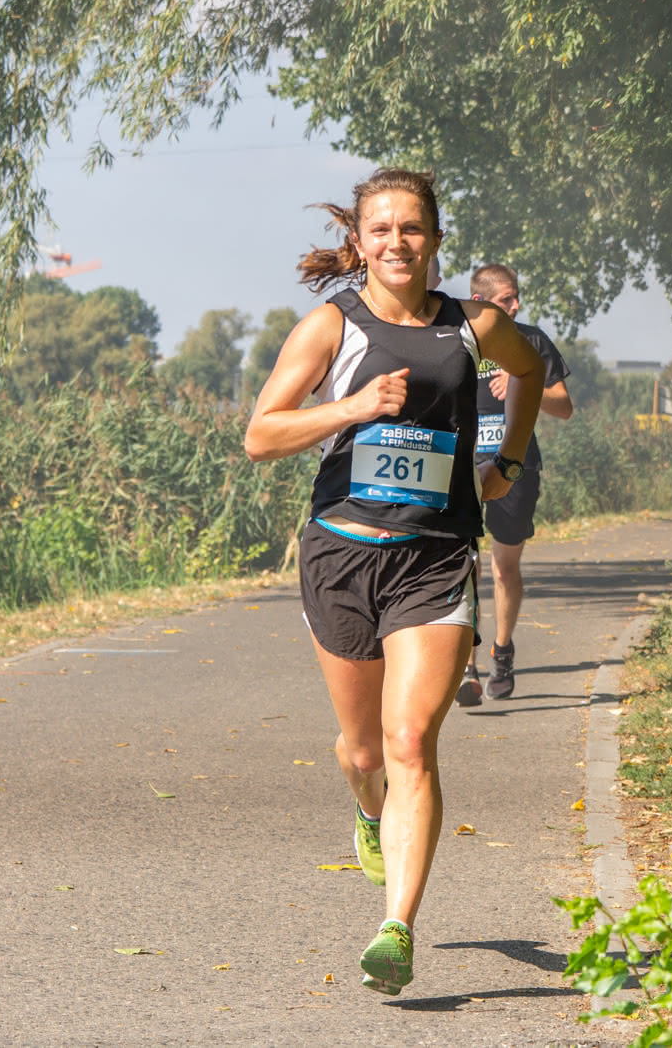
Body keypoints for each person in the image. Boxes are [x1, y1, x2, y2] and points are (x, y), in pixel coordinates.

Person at [244, 169, 542, 996]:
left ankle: (396, 926)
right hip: (342, 553)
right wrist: (352, 407)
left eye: (412, 229)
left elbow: (531, 370)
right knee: (364, 749)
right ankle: (368, 811)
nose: (397, 243)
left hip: (436, 555)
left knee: (411, 740)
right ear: (360, 242)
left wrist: (506, 461)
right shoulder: (332, 327)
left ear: (437, 240)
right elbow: (262, 435)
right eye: (381, 230)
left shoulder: (474, 327)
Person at [455, 264, 573, 706]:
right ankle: (466, 665)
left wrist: (529, 383)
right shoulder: (457, 340)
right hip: (463, 464)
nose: (516, 305)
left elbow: (564, 407)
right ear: (482, 301)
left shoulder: (532, 341)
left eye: (517, 296)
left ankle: (501, 652)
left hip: (514, 463)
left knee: (504, 566)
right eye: (507, 299)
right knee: (463, 563)